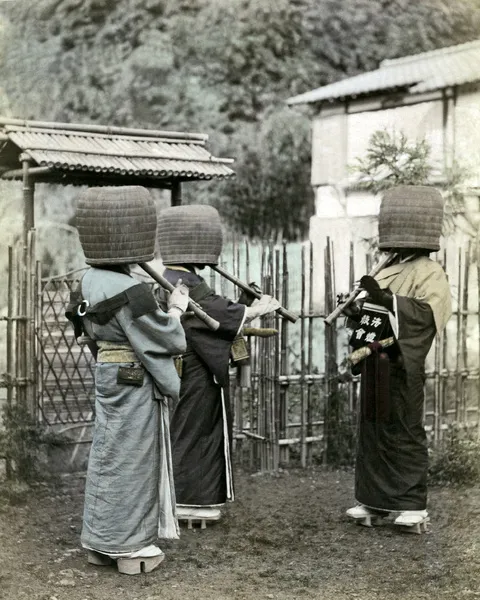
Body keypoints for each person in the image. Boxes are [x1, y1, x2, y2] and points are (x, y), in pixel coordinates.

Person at [66, 186, 189, 574]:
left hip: (108, 373)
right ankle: (128, 546)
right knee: (134, 457)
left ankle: (99, 542)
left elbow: (84, 330)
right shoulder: (131, 288)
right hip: (134, 379)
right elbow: (164, 335)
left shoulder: (86, 281)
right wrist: (177, 309)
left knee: (108, 453)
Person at [156, 204, 280, 527]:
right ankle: (191, 499)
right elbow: (214, 313)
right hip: (194, 370)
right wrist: (258, 309)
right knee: (197, 429)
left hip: (178, 369)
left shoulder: (169, 276)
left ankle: (181, 496)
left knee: (183, 430)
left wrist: (242, 302)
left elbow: (217, 311)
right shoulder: (183, 282)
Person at [343, 185, 452, 532]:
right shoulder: (386, 267)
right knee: (373, 430)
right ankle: (372, 499)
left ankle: (411, 505)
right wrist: (358, 308)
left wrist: (388, 300)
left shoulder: (429, 271)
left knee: (403, 429)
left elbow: (427, 315)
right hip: (375, 359)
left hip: (402, 363)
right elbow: (370, 318)